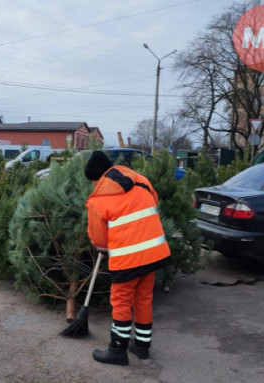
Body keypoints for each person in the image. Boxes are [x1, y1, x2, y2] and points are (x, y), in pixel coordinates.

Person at [84, 150, 171, 366]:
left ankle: (117, 350)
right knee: (143, 298)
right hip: (154, 252)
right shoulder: (140, 180)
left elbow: (99, 240)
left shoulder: (98, 201)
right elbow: (153, 201)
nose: (93, 186)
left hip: (127, 259)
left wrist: (102, 247)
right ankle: (142, 346)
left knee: (121, 301)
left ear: (98, 178)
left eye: (93, 181)